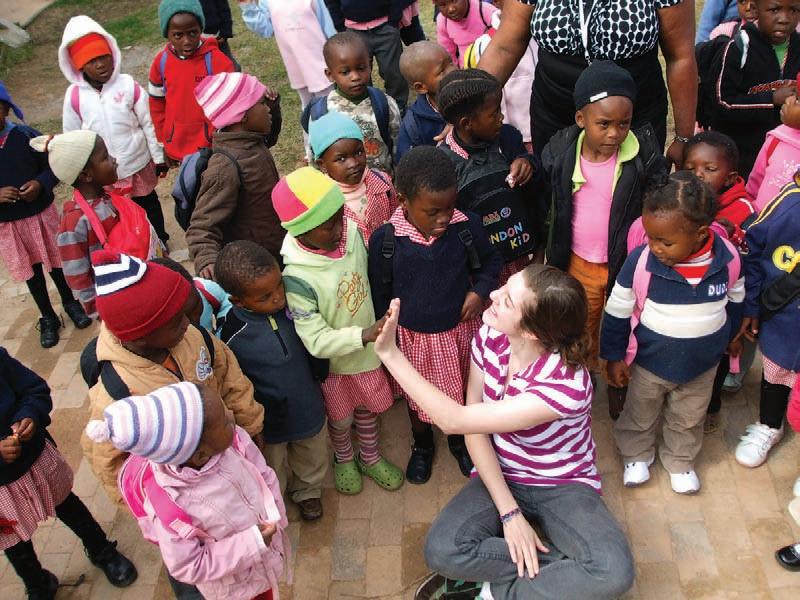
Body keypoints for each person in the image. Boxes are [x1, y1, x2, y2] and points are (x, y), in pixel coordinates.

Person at [374, 266, 634, 600]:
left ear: (531, 332)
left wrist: (391, 354)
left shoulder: (567, 384)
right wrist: (510, 513)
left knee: (613, 570)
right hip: (500, 471)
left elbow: (454, 421)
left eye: (508, 300)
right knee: (441, 549)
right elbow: (473, 427)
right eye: (504, 288)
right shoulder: (490, 336)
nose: (494, 295)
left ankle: (497, 593)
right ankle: (563, 573)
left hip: (563, 484)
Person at [79, 249, 264, 505]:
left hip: (229, 452)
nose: (188, 323)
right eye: (177, 321)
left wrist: (251, 424)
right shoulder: (116, 395)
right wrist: (155, 509)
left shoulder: (193, 338)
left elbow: (229, 376)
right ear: (141, 336)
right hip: (189, 497)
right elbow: (109, 464)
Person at [601, 172, 744, 495]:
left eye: (665, 242)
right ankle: (636, 454)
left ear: (700, 234)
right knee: (640, 411)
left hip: (702, 365)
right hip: (649, 362)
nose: (655, 247)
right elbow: (617, 310)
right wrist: (614, 356)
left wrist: (731, 337)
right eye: (650, 237)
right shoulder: (641, 261)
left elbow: (736, 298)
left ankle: (680, 460)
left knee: (689, 417)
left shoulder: (729, 259)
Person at [368, 147, 502, 483]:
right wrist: (388, 338)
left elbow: (491, 263)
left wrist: (479, 292)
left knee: (464, 392)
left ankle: (460, 440)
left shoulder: (466, 227)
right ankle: (423, 443)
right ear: (403, 200)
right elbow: (380, 294)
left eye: (449, 207)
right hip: (414, 341)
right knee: (418, 397)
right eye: (432, 212)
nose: (444, 218)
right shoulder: (386, 242)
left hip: (461, 336)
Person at [84, 382, 288, 600]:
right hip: (238, 588)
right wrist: (253, 544)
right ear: (200, 455)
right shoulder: (170, 506)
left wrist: (277, 517)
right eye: (224, 421)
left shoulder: (235, 441)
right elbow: (189, 565)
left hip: (266, 559)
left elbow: (263, 475)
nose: (230, 415)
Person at [541, 60, 666, 413]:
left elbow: (658, 193)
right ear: (581, 119)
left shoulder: (641, 153)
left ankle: (616, 379)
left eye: (623, 124)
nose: (615, 133)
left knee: (622, 325)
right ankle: (584, 378)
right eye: (605, 124)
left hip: (624, 265)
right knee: (583, 325)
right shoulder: (561, 151)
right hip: (579, 263)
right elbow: (547, 197)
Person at [273, 166, 404, 495]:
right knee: (341, 420)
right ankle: (344, 458)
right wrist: (362, 335)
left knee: (367, 411)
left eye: (339, 216)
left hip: (367, 358)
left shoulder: (351, 232)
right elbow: (315, 339)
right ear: (301, 231)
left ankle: (370, 457)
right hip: (335, 368)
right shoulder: (297, 278)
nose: (339, 227)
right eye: (328, 224)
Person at [476, 0, 697, 168]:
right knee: (556, 203)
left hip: (631, 122)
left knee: (633, 202)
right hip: (555, 119)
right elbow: (505, 47)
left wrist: (683, 137)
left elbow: (681, 57)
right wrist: (467, 103)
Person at [1, 348, 137, 599]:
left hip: (37, 461)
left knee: (69, 507)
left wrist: (29, 415)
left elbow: (35, 390)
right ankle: (38, 584)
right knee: (14, 542)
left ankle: (101, 550)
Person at [216, 241, 329, 522]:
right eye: (265, 297)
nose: (278, 297)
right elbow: (232, 381)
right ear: (238, 301)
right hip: (268, 418)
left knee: (312, 452)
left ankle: (308, 491)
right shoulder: (231, 334)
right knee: (271, 464)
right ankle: (273, 499)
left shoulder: (299, 307)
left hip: (307, 403)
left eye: (279, 285)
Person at [59, 15, 169, 248]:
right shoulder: (74, 97)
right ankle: (126, 247)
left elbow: (148, 122)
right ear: (79, 66)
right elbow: (71, 139)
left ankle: (160, 240)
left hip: (136, 164)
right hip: (103, 173)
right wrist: (77, 174)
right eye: (92, 61)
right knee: (113, 212)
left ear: (113, 54)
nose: (100, 64)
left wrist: (158, 157)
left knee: (148, 203)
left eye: (104, 57)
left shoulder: (128, 85)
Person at [0, 83, 91, 348]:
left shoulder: (26, 137)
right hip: (9, 226)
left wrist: (40, 184)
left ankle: (71, 302)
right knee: (32, 272)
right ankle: (48, 316)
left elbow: (53, 165)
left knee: (57, 262)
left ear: (6, 109)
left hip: (41, 215)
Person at [33, 130, 157, 319]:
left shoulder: (110, 198)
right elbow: (77, 275)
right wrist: (98, 312)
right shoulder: (74, 222)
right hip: (116, 302)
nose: (114, 160)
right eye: (106, 157)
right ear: (86, 175)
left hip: (137, 284)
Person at [437, 68, 542, 285]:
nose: (501, 117)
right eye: (494, 113)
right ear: (466, 123)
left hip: (521, 250)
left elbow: (535, 190)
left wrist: (527, 163)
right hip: (481, 269)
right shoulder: (443, 162)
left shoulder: (507, 138)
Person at [682, 131, 757, 432]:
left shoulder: (743, 210)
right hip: (693, 301)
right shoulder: (682, 200)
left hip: (727, 305)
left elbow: (754, 256)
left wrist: (733, 235)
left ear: (730, 177)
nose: (698, 175)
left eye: (710, 169)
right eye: (690, 168)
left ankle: (711, 406)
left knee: (719, 359)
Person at [733, 170, 800, 468]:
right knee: (776, 372)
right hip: (784, 320)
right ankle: (770, 425)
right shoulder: (789, 204)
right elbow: (753, 251)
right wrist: (752, 306)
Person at [187, 71, 283, 279]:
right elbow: (202, 225)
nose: (267, 108)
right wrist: (206, 257)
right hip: (256, 265)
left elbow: (271, 135)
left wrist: (273, 108)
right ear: (242, 115)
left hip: (276, 247)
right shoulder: (224, 167)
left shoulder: (250, 139)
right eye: (262, 104)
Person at [712, 0, 800, 179]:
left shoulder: (798, 47)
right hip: (743, 156)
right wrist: (771, 99)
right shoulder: (739, 47)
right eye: (774, 10)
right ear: (754, 9)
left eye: (793, 10)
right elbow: (723, 103)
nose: (784, 19)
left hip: (786, 157)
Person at [238, 0, 336, 158]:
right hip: (297, 66)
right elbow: (265, 29)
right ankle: (312, 152)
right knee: (308, 108)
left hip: (321, 62)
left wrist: (336, 56)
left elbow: (328, 27)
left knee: (329, 106)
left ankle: (336, 146)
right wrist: (248, 7)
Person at [149, 0, 235, 164]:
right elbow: (156, 105)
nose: (187, 41)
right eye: (178, 35)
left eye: (192, 33)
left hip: (213, 148)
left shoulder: (217, 61)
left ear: (200, 29)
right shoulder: (160, 63)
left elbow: (231, 104)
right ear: (167, 34)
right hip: (179, 147)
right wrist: (164, 143)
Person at [305, 31, 401, 173]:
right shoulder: (321, 113)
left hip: (384, 182)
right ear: (330, 74)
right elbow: (315, 155)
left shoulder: (385, 103)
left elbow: (398, 145)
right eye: (345, 72)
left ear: (370, 66)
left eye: (361, 68)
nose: (355, 76)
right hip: (343, 186)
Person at [309, 111, 398, 240]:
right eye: (341, 159)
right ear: (322, 165)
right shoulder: (320, 202)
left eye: (359, 152)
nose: (354, 163)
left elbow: (396, 217)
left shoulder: (383, 182)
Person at [463, 1, 538, 152]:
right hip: (518, 136)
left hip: (546, 125)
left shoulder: (541, 31)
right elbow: (492, 97)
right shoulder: (485, 45)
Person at [324, 0, 409, 112]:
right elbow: (331, 2)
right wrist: (340, 27)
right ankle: (365, 109)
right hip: (353, 31)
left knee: (393, 71)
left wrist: (394, 20)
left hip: (385, 26)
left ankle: (398, 107)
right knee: (357, 74)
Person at [396, 41, 455, 162]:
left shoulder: (471, 96)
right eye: (442, 71)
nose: (453, 70)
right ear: (421, 87)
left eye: (451, 62)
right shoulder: (414, 125)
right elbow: (407, 163)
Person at [747, 80, 800, 210]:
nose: (788, 100)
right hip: (759, 220)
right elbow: (753, 187)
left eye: (798, 100)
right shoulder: (777, 138)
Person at [149, 256, 232, 331]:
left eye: (196, 306)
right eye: (181, 317)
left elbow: (227, 298)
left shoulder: (203, 288)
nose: (195, 319)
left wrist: (223, 327)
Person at [435, 0, 497, 67]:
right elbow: (448, 54)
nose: (451, 9)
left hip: (491, 65)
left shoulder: (486, 11)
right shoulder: (443, 21)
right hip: (466, 68)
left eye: (455, 1)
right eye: (443, 5)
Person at [198, 0, 239, 68]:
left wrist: (225, 33)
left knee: (231, 66)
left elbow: (224, 10)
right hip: (196, 41)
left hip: (217, 37)